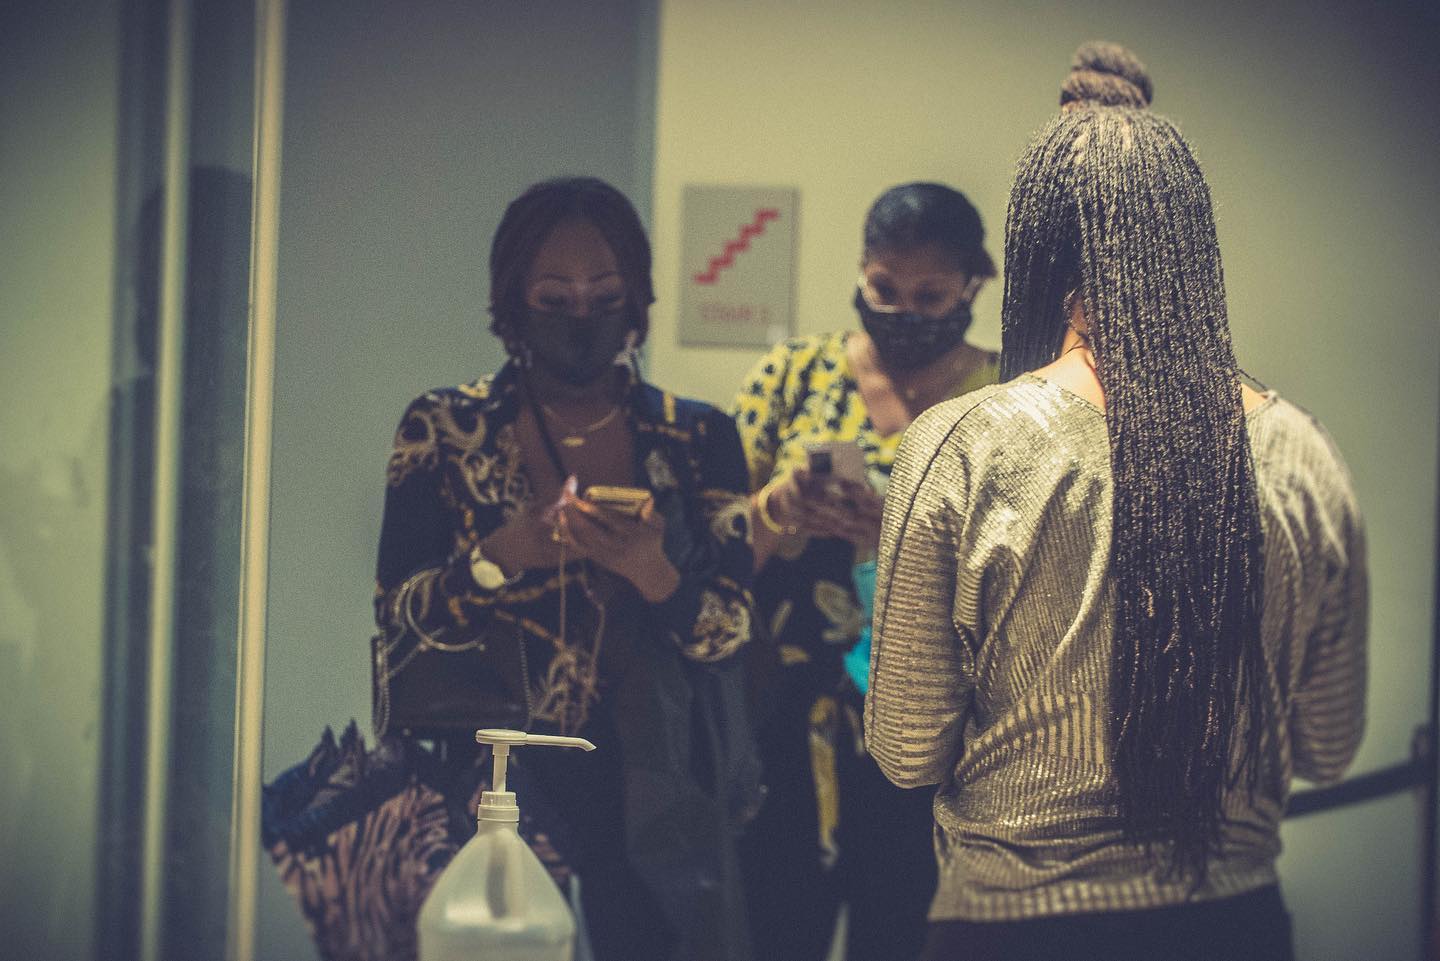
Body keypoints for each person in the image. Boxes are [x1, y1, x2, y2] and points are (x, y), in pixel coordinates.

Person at [867, 43, 1367, 961]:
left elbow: (905, 748)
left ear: (1038, 253)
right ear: (1193, 248)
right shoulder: (1302, 453)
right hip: (1235, 924)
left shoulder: (964, 444)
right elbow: (1329, 746)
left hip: (1011, 932)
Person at [264, 177, 761, 961]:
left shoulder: (696, 438)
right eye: (554, 297)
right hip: (485, 777)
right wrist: (498, 559)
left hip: (659, 785)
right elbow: (399, 615)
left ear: (635, 297)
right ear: (514, 299)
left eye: (604, 295)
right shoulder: (444, 427)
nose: (581, 316)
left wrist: (652, 571)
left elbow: (729, 633)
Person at [731, 182, 999, 961]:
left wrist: (897, 537)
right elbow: (710, 550)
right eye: (884, 289)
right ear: (859, 270)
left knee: (904, 934)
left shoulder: (1008, 394)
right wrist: (780, 506)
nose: (904, 311)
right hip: (785, 718)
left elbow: (1030, 577)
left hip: (938, 739)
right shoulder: (795, 375)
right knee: (776, 931)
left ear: (973, 285)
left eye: (930, 296)